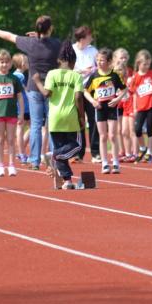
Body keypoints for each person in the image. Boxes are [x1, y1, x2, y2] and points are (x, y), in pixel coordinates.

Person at [0, 16, 61, 170]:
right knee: (52, 125)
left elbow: (9, 36)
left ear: (37, 29)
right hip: (52, 89)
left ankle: (34, 160)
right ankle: (54, 160)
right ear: (50, 29)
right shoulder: (57, 44)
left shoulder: (30, 43)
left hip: (34, 88)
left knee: (36, 125)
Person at [33, 40, 85, 190]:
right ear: (73, 62)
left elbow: (46, 93)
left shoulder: (52, 74)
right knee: (77, 146)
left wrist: (37, 81)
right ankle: (53, 155)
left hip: (55, 118)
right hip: (70, 117)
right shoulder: (76, 76)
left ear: (58, 60)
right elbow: (78, 97)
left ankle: (67, 181)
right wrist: (82, 116)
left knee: (62, 149)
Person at [83, 48, 127, 174]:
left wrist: (117, 99)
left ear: (109, 61)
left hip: (112, 107)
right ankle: (105, 164)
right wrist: (93, 101)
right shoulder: (94, 75)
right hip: (100, 108)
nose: (99, 62)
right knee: (103, 136)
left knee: (112, 135)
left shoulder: (114, 75)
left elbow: (124, 89)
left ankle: (116, 163)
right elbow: (85, 91)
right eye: (97, 60)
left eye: (102, 60)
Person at [0, 49, 24, 177]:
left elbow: (20, 97)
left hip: (12, 114)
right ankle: (0, 166)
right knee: (0, 140)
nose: (4, 64)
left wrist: (21, 114)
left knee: (11, 140)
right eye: (1, 62)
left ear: (11, 64)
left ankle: (11, 165)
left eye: (7, 62)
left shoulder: (14, 79)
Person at [72, 25, 100, 162]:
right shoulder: (71, 49)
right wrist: (81, 71)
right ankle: (78, 153)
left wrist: (93, 69)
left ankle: (96, 152)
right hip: (76, 89)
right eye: (89, 36)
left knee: (93, 120)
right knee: (79, 120)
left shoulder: (93, 50)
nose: (92, 38)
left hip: (91, 89)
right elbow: (66, 68)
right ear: (82, 38)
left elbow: (100, 66)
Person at [114, 48, 137, 163]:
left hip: (128, 104)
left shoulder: (130, 72)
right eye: (120, 57)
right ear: (115, 58)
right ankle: (122, 151)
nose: (123, 60)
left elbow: (133, 89)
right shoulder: (113, 72)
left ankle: (133, 151)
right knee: (119, 129)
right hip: (118, 104)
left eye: (124, 57)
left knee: (128, 129)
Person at [12, 53, 31, 164]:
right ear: (23, 63)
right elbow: (25, 90)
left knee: (31, 127)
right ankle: (22, 153)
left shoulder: (14, 75)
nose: (28, 63)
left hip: (19, 106)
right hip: (23, 106)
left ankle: (21, 151)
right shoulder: (20, 76)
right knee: (30, 127)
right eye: (27, 62)